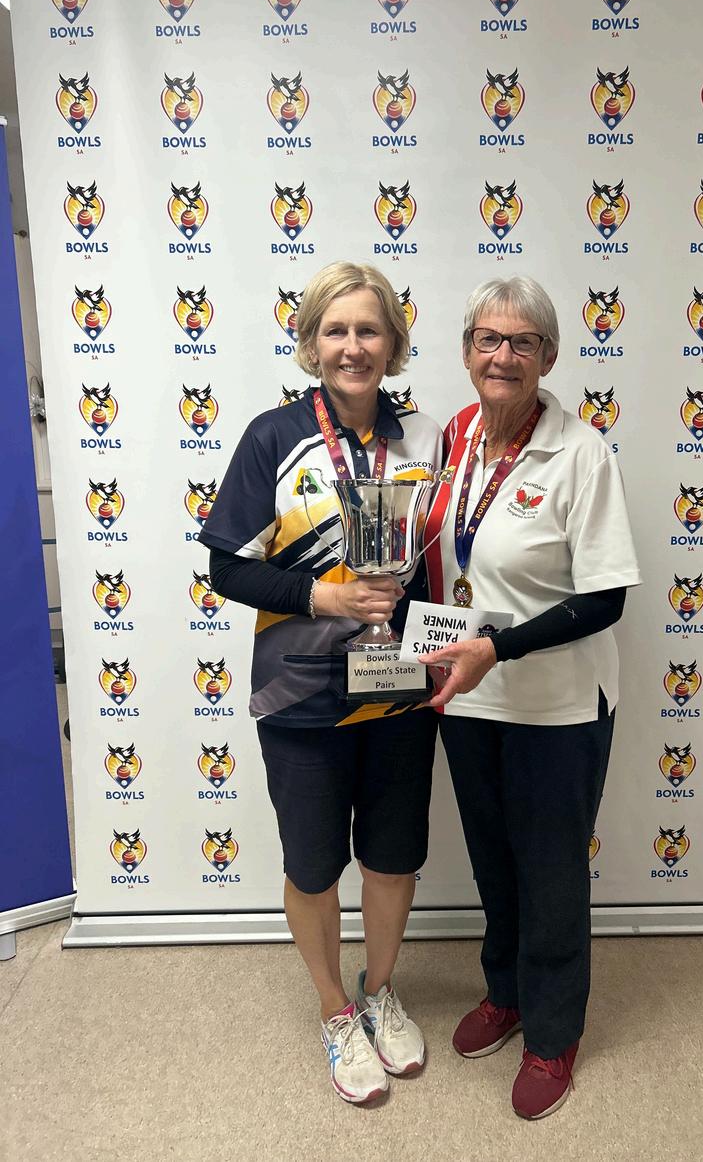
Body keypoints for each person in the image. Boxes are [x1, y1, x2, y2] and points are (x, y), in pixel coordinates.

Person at [198, 262, 442, 1105]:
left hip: (399, 686)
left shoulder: (423, 440)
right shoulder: (273, 436)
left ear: (392, 343)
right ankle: (337, 1010)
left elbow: (437, 563)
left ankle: (381, 990)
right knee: (312, 867)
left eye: (368, 330)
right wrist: (322, 595)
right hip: (300, 693)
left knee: (394, 856)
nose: (352, 347)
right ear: (311, 343)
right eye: (335, 331)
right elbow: (226, 566)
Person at [418, 276, 640, 1120]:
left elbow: (605, 598)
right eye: (488, 339)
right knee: (493, 862)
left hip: (554, 705)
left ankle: (552, 1034)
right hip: (469, 700)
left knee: (550, 873)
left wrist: (497, 648)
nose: (502, 356)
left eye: (522, 342)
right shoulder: (454, 437)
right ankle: (505, 993)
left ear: (548, 357)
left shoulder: (581, 453)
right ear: (466, 350)